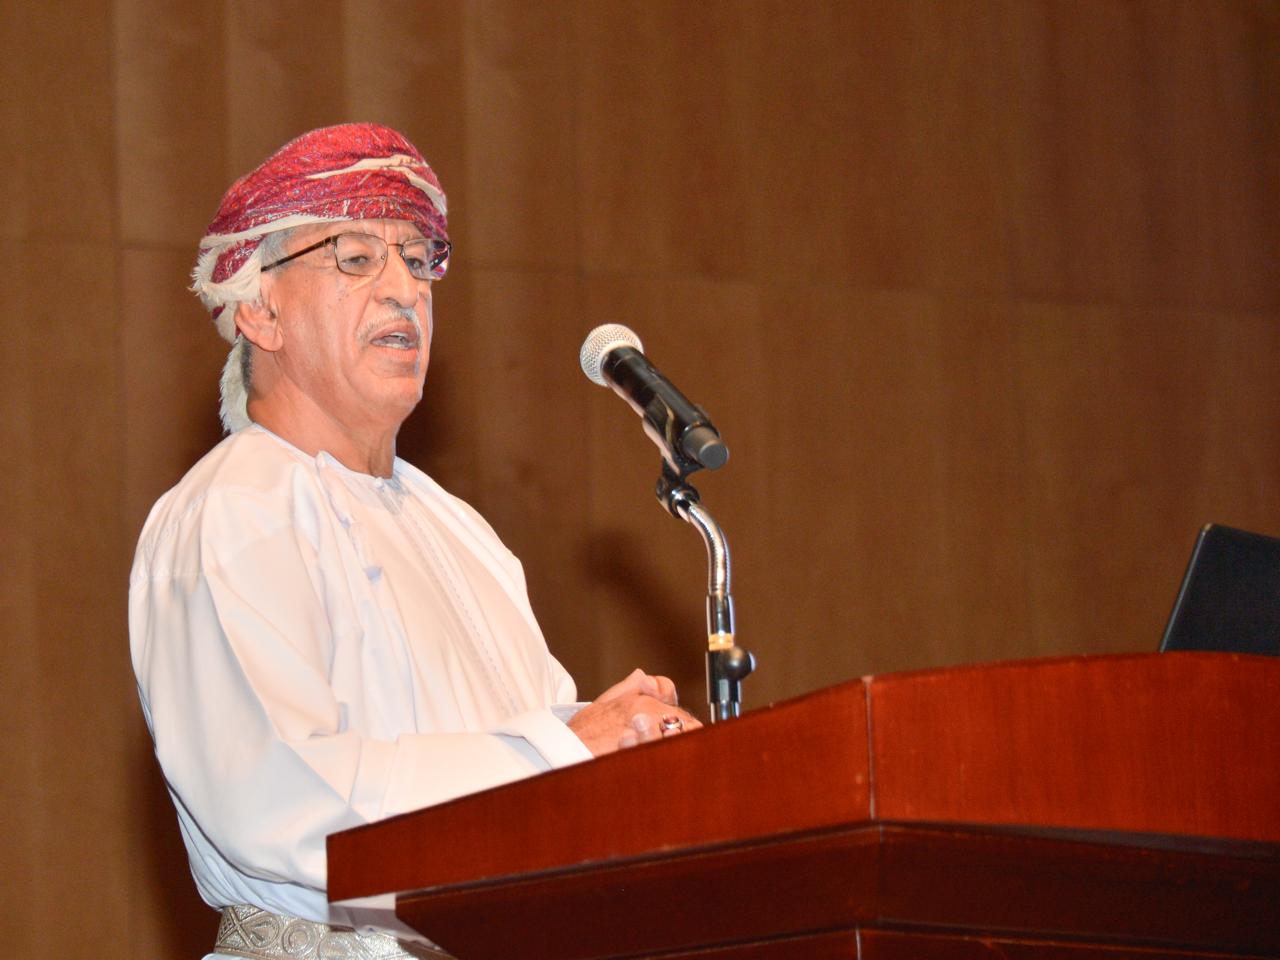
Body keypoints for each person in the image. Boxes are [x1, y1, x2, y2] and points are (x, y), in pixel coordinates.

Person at [129, 123, 700, 960]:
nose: (405, 289)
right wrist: (564, 751)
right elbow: (281, 796)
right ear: (259, 309)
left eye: (420, 258)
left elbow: (530, 756)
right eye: (356, 257)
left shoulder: (459, 531)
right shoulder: (232, 507)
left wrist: (627, 749)